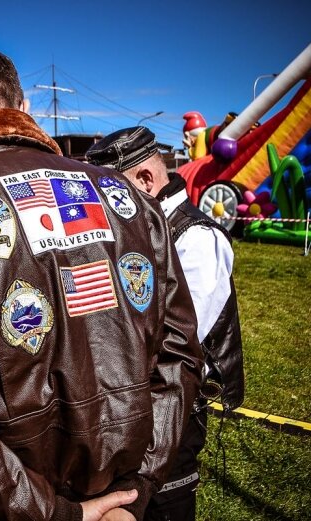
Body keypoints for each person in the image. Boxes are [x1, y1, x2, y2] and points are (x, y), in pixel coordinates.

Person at [0, 47, 202, 520]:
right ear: (23, 108)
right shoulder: (127, 195)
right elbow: (180, 353)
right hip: (121, 496)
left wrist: (52, 513)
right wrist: (137, 487)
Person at [87, 126, 244, 521]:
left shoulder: (198, 239)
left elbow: (176, 340)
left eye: (110, 192)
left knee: (165, 506)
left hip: (177, 406)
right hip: (133, 400)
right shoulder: (138, 227)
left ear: (144, 180)